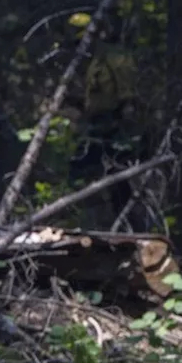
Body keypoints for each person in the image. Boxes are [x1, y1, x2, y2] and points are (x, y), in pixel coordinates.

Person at [63, 12, 141, 223]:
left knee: (118, 179)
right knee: (85, 170)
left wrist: (126, 115)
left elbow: (127, 92)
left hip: (115, 124)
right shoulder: (92, 63)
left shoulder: (114, 57)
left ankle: (129, 223)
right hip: (97, 123)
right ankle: (88, 219)